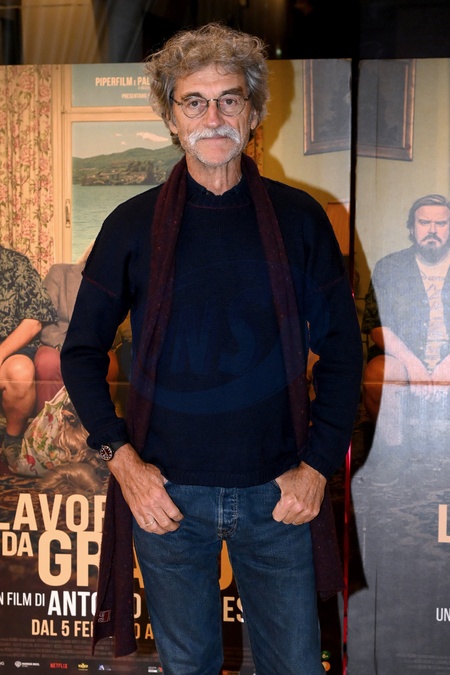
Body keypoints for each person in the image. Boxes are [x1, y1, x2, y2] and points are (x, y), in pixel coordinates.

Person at [61, 23, 363, 674]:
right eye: (194, 102)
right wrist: (124, 464)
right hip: (167, 497)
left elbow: (343, 351)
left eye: (229, 99)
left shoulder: (300, 220)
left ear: (253, 112)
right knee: (188, 667)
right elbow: (80, 352)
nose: (213, 117)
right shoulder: (131, 225)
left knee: (295, 666)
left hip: (279, 495)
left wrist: (316, 468)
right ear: (171, 118)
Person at [362, 194, 450, 439]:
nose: (432, 230)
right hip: (401, 359)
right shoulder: (389, 267)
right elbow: (376, 326)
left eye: (441, 223)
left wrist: (446, 365)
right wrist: (413, 364)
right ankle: (392, 449)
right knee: (378, 375)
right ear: (411, 227)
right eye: (424, 222)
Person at [34, 259, 121, 412]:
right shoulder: (59, 272)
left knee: (109, 365)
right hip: (56, 341)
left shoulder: (111, 282)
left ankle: (93, 423)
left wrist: (90, 346)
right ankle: (49, 422)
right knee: (48, 363)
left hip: (93, 344)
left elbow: (111, 324)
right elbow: (44, 318)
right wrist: (64, 345)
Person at [0, 244, 57, 463]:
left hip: (10, 348)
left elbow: (34, 322)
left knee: (20, 371)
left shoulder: (17, 264)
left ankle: (12, 439)